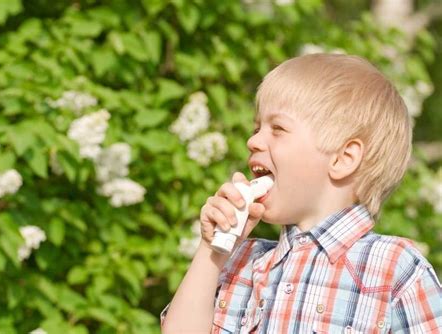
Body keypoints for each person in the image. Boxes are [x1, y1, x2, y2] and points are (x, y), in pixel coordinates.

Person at [160, 53, 442, 333]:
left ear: (343, 158)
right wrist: (212, 249)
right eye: (257, 128)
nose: (253, 140)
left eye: (278, 129)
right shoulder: (241, 262)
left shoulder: (396, 269)